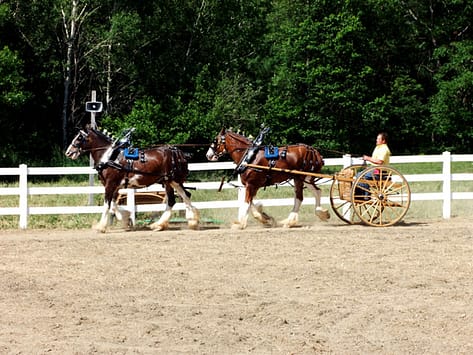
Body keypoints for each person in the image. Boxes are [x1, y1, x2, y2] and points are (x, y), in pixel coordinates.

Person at [356, 132, 391, 200]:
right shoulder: (378, 147)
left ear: (383, 141)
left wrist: (367, 158)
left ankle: (366, 195)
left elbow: (380, 161)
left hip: (379, 171)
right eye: (377, 138)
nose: (376, 140)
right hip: (374, 169)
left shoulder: (384, 149)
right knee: (358, 175)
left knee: (360, 176)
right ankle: (361, 193)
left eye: (378, 139)